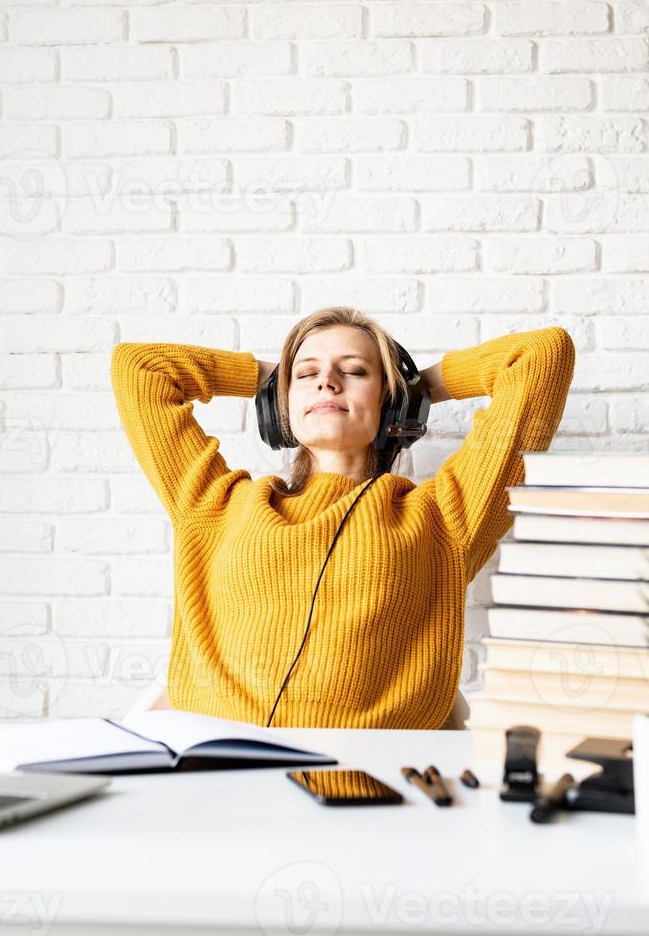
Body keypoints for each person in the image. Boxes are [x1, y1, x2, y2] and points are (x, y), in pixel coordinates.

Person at [110, 306, 575, 729]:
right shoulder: (216, 506)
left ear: (392, 402)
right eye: (306, 374)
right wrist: (269, 378)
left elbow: (539, 356)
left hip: (375, 779)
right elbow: (141, 368)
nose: (326, 382)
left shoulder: (445, 518)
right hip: (219, 772)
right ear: (280, 407)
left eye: (353, 371)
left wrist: (417, 389)